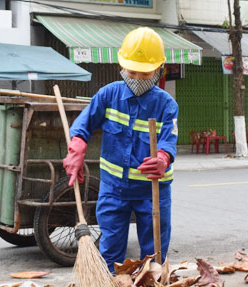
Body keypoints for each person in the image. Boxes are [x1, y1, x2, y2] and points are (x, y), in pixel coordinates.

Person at [63, 27, 178, 271]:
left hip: (152, 190)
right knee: (111, 252)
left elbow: (168, 140)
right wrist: (77, 148)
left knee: (154, 255)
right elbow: (83, 125)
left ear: (158, 70)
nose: (136, 78)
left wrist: (163, 158)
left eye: (144, 74)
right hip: (114, 189)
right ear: (122, 67)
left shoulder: (166, 105)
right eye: (131, 71)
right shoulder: (108, 95)